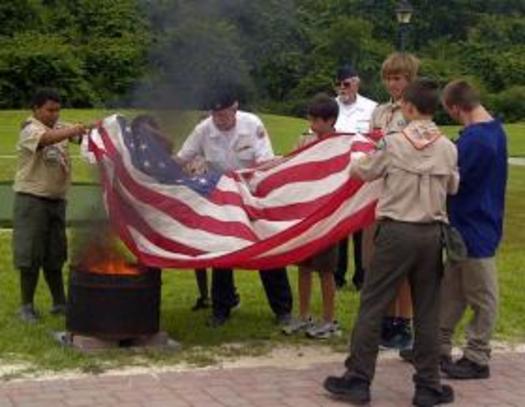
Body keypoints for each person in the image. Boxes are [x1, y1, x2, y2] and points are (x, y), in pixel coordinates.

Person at [324, 78, 459, 406]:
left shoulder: (393, 142)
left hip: (397, 230)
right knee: (427, 311)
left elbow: (364, 172)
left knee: (373, 304)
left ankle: (358, 379)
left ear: (409, 108)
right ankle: (428, 385)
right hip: (432, 233)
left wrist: (353, 158)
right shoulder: (448, 146)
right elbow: (453, 186)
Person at [176, 86, 293, 327]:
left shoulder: (252, 125)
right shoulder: (204, 130)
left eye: (224, 114)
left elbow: (264, 162)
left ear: (235, 107)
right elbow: (182, 158)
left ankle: (283, 310)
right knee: (221, 253)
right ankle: (221, 307)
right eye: (216, 114)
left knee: (266, 250)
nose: (220, 119)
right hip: (221, 196)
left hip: (251, 192)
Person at [438, 80, 507, 379]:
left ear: (456, 107)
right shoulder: (495, 131)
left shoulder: (475, 140)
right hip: (474, 222)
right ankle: (436, 345)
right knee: (452, 289)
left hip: (473, 225)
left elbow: (454, 180)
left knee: (483, 294)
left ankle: (477, 356)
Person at [12, 88, 88, 323]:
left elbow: (82, 139)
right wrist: (72, 130)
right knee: (30, 255)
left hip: (56, 200)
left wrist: (95, 129)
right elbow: (46, 140)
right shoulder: (30, 128)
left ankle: (60, 303)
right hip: (32, 199)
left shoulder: (59, 127)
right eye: (49, 110)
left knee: (55, 254)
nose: (54, 114)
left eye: (57, 110)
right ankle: (26, 306)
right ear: (36, 109)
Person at [365, 52, 420, 349]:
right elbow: (372, 144)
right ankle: (384, 319)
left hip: (404, 192)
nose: (392, 84)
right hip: (379, 190)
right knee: (379, 262)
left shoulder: (413, 110)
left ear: (409, 79)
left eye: (398, 78)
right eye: (388, 78)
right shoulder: (380, 111)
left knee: (403, 264)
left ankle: (404, 321)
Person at [282, 94, 342, 339]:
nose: (313, 125)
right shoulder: (303, 140)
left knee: (325, 270)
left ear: (330, 121)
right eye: (311, 120)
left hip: (328, 218)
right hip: (306, 215)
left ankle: (329, 319)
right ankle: (303, 315)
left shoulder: (341, 144)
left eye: (318, 121)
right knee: (303, 266)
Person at [333, 64, 377, 291]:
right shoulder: (331, 107)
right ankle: (337, 275)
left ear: (357, 83)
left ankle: (362, 275)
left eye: (347, 83)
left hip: (362, 174)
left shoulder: (371, 108)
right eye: (339, 84)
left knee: (360, 225)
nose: (343, 88)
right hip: (338, 175)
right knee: (339, 226)